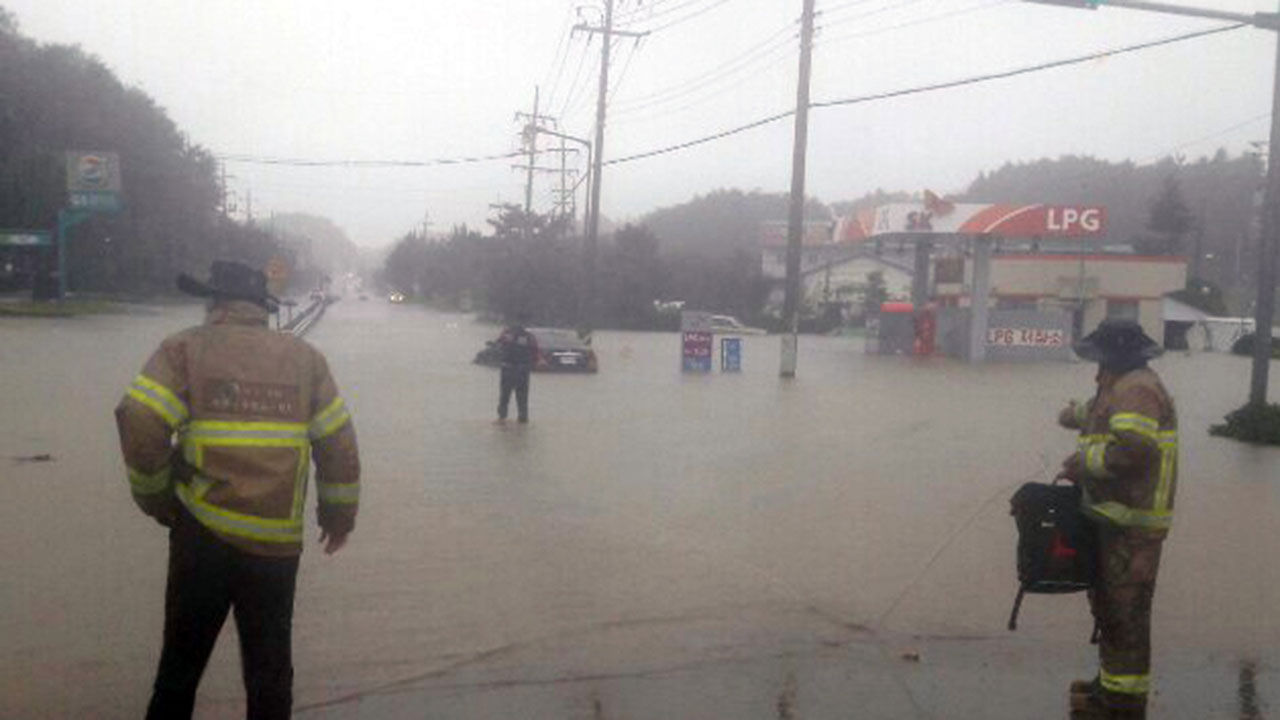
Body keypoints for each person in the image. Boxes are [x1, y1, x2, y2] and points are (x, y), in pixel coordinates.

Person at [114, 260, 360, 720]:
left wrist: (157, 497)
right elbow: (339, 444)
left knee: (179, 670)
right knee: (269, 675)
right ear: (262, 308)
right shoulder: (306, 360)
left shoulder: (184, 348)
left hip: (201, 538)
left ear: (213, 303)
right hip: (275, 547)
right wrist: (338, 518)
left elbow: (140, 418)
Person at [1055, 319, 1178, 719]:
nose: (1096, 370)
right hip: (1113, 519)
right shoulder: (1121, 385)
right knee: (1109, 607)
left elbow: (1136, 451)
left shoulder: (1137, 389)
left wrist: (1082, 463)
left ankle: (1123, 704)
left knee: (1126, 613)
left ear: (1115, 358)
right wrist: (1073, 414)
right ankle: (1109, 685)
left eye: (1100, 360)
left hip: (1132, 526)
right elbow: (1100, 413)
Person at [495, 312, 539, 423]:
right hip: (521, 370)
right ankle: (521, 418)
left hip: (510, 369)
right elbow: (535, 353)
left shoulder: (507, 334)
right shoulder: (529, 337)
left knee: (506, 396)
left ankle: (503, 418)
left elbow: (498, 346)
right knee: (520, 397)